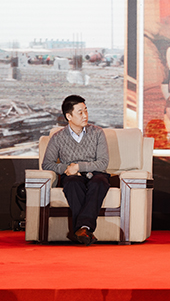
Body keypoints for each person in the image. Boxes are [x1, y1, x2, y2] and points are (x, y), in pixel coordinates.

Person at [42, 95, 110, 246]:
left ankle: (81, 229)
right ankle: (85, 229)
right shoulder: (58, 137)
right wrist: (67, 169)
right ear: (69, 116)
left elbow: (103, 163)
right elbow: (47, 164)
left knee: (100, 182)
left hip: (95, 174)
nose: (85, 115)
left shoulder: (97, 132)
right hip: (72, 176)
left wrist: (78, 166)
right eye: (80, 112)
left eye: (86, 110)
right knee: (73, 183)